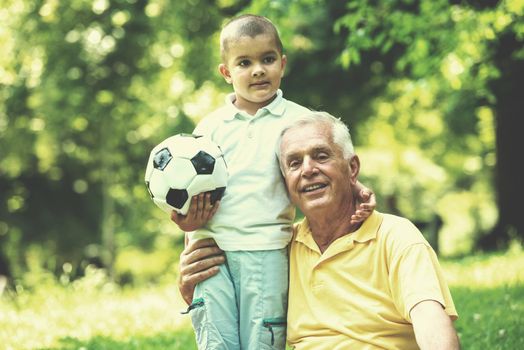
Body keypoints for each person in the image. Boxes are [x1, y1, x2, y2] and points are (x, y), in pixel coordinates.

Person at [170, 14, 375, 350]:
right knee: (215, 340)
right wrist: (181, 218)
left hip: (266, 251)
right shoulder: (209, 128)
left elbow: (332, 164)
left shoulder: (300, 120)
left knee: (263, 339)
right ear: (226, 72)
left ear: (282, 63)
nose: (258, 70)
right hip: (211, 250)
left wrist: (358, 188)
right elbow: (184, 187)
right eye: (244, 63)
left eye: (267, 60)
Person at [179, 111, 461, 349]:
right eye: (294, 163)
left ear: (352, 168)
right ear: (284, 183)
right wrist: (192, 288)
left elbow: (431, 323)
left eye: (321, 156)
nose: (308, 170)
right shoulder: (280, 248)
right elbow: (242, 313)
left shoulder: (395, 236)